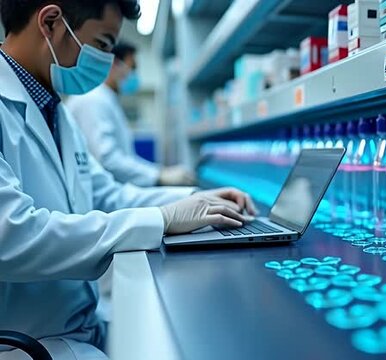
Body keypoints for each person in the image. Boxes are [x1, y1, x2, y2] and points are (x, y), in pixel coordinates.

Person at [0, 1, 257, 359]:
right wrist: (162, 219)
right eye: (103, 44)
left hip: (76, 326)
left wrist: (196, 199)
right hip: (27, 344)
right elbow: (11, 235)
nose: (107, 60)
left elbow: (105, 193)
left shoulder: (54, 110)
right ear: (51, 22)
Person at [67, 42, 195, 187]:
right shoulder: (93, 100)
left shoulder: (108, 99)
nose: (134, 75)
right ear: (115, 63)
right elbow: (106, 158)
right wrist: (159, 175)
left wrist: (158, 172)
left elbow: (124, 157)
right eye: (132, 67)